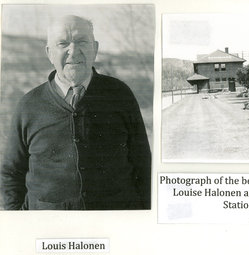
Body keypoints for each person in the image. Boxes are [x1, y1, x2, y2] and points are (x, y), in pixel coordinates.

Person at [0, 15, 151, 210]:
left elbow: (143, 164)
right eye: (63, 43)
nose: (73, 51)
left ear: (95, 48)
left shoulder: (119, 94)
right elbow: (11, 173)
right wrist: (20, 222)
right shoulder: (28, 105)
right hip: (49, 230)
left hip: (112, 226)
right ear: (49, 53)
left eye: (82, 41)